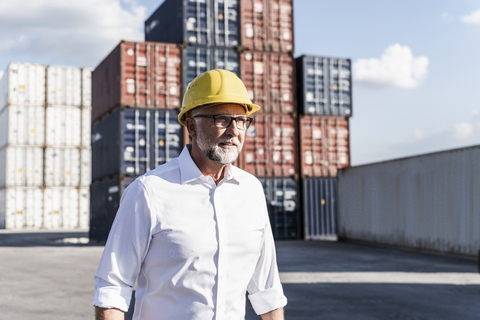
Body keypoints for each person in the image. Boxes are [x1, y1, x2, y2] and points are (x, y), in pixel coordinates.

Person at [92, 69, 287, 320]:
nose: (233, 130)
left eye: (241, 120)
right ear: (192, 127)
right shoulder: (148, 191)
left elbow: (267, 290)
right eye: (221, 119)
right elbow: (112, 288)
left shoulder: (251, 191)